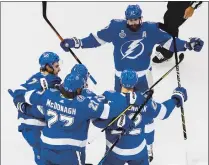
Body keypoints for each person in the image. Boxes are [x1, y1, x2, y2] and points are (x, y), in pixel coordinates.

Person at [59, 4, 203, 161]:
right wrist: (76, 42)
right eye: (130, 21)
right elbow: (96, 39)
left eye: (136, 20)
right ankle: (115, 145)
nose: (133, 23)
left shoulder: (151, 29)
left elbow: (169, 43)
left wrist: (188, 45)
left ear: (141, 18)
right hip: (120, 79)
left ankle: (147, 147)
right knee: (118, 111)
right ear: (126, 19)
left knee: (146, 113)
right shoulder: (116, 27)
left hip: (143, 78)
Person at [11, 71, 136, 165]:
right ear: (78, 89)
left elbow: (26, 95)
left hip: (46, 148)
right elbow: (110, 111)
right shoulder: (83, 104)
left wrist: (20, 104)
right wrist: (123, 98)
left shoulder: (48, 95)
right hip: (69, 153)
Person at [92, 69, 188, 165]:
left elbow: (93, 114)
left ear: (120, 81)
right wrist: (177, 98)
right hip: (138, 152)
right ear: (136, 82)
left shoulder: (109, 97)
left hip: (115, 151)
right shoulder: (145, 101)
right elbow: (164, 112)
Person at [9, 52, 62, 165]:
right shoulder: (52, 80)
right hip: (34, 127)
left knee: (46, 157)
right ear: (48, 66)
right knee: (45, 158)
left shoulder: (35, 77)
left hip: (30, 126)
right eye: (56, 66)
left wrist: (22, 106)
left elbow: (18, 94)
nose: (59, 69)